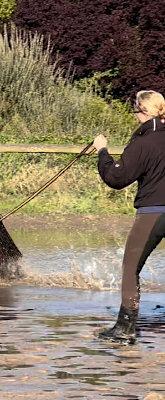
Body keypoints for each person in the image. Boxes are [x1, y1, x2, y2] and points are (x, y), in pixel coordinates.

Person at [93, 90, 165, 344]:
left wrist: (102, 151)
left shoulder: (143, 143)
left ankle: (125, 328)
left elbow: (117, 178)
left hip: (153, 212)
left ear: (143, 112)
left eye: (135, 110)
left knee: (130, 268)